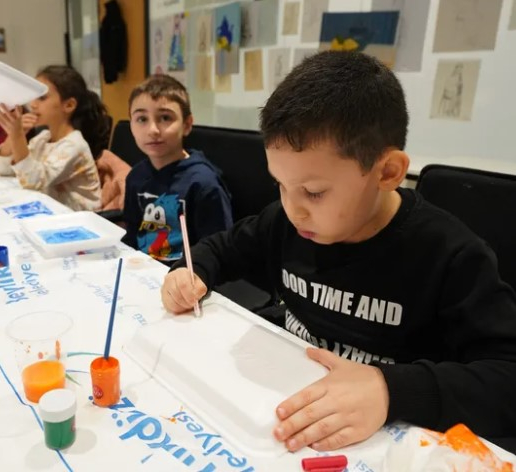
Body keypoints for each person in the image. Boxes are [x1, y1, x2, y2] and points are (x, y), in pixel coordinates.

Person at [161, 51, 516, 453]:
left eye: (314, 192)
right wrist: (189, 272)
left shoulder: (449, 256)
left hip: (382, 440)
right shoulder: (287, 221)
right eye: (280, 184)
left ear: (387, 173)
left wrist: (390, 389)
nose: (294, 208)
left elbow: (507, 377)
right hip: (281, 411)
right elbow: (221, 249)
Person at [122, 74, 232, 264]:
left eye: (165, 118)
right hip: (143, 270)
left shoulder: (203, 183)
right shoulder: (136, 177)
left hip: (187, 278)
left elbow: (219, 249)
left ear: (187, 125)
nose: (153, 130)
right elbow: (132, 233)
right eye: (141, 119)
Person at [0, 65, 108, 211]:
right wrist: (13, 134)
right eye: (33, 97)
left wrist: (17, 136)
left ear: (69, 105)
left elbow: (33, 181)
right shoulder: (43, 139)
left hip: (80, 222)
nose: (33, 104)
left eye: (42, 98)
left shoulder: (74, 145)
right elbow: (3, 169)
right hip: (52, 214)